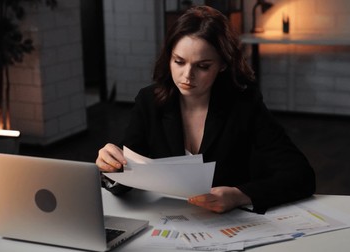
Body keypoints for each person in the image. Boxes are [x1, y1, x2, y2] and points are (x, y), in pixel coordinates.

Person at [96, 5, 315, 214]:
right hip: (168, 220)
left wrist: (239, 196)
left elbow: (301, 175)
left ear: (222, 64)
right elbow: (126, 176)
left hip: (230, 225)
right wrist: (111, 169)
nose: (187, 76)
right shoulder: (149, 101)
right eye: (179, 61)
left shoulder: (244, 104)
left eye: (202, 66)